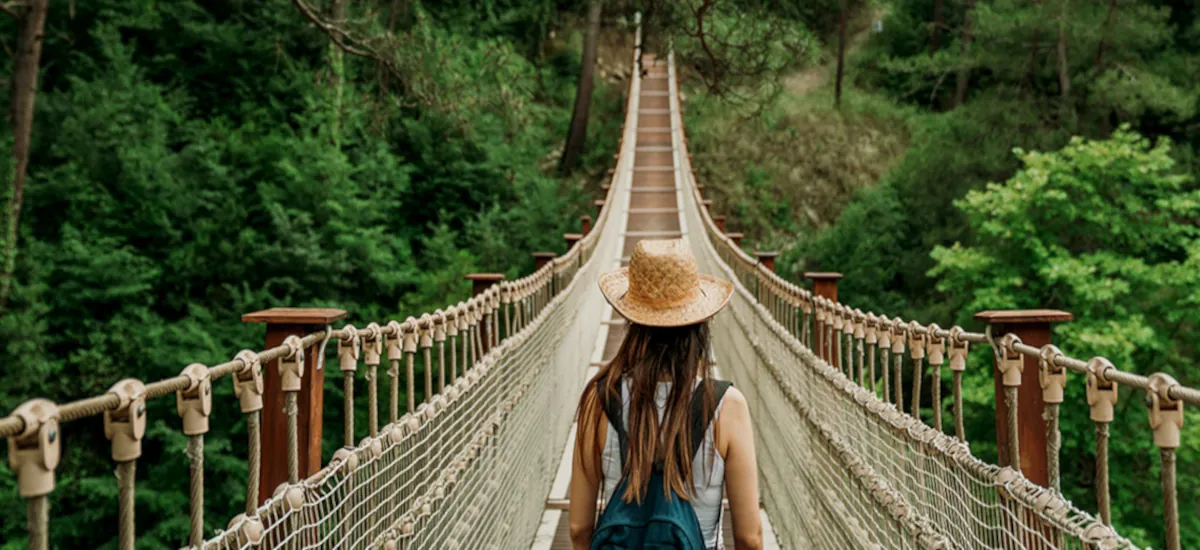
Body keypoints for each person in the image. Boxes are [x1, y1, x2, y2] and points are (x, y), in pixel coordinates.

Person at [568, 239, 763, 550]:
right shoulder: (726, 405)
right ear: (700, 323)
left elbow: (579, 528)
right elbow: (749, 537)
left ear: (631, 321)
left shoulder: (600, 399)